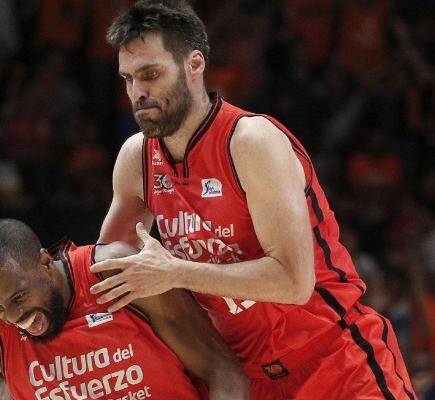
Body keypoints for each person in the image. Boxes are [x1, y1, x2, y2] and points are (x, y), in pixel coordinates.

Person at [91, 1, 415, 398]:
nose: (138, 92)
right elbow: (106, 265)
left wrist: (174, 272)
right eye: (128, 79)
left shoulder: (250, 141)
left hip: (335, 362)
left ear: (194, 65)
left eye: (151, 74)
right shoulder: (136, 159)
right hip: (248, 379)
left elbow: (295, 282)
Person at [0, 219, 250, 399]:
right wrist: (2, 303)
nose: (13, 317)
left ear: (46, 264)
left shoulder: (115, 271)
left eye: (18, 297)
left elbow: (224, 372)